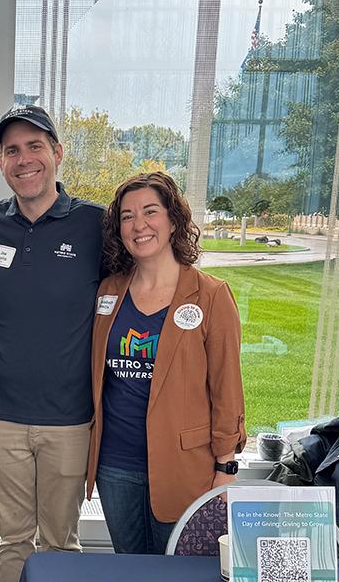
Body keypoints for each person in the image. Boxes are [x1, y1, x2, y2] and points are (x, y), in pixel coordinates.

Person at [0, 105, 105, 582]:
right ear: (1, 163)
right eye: (11, 151)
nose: (23, 160)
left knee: (60, 542)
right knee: (12, 541)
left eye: (33, 147)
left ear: (57, 152)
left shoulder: (95, 226)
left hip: (69, 418)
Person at [86, 170, 246, 552]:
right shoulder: (109, 290)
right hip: (116, 464)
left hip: (183, 466)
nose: (138, 224)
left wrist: (226, 469)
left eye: (150, 212)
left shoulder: (210, 296)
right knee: (131, 572)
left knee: (179, 577)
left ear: (173, 220)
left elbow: (227, 388)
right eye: (127, 216)